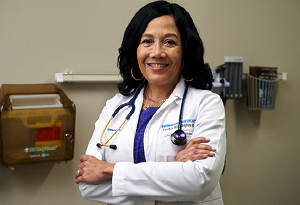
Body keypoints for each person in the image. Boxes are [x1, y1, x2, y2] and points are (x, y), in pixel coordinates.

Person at [75, 1, 226, 204]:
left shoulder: (207, 104)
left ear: (185, 52)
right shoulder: (115, 106)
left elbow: (199, 182)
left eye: (170, 42)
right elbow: (87, 184)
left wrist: (110, 170)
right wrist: (174, 170)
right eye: (147, 41)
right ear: (135, 49)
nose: (157, 52)